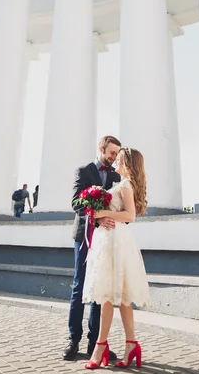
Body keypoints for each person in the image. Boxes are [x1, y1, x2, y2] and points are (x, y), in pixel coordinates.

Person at [82, 147, 151, 370]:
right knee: (120, 298)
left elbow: (130, 216)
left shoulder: (126, 185)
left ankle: (100, 346)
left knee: (108, 298)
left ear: (127, 162)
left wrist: (101, 213)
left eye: (119, 158)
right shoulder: (121, 184)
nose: (115, 162)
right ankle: (131, 344)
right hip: (111, 240)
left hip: (116, 242)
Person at [62, 135, 122, 362]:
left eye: (117, 154)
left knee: (100, 289)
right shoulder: (84, 171)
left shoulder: (117, 176)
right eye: (111, 152)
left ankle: (94, 344)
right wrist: (97, 217)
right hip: (84, 237)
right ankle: (73, 339)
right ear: (101, 148)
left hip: (106, 238)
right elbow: (76, 202)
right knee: (79, 286)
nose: (114, 157)